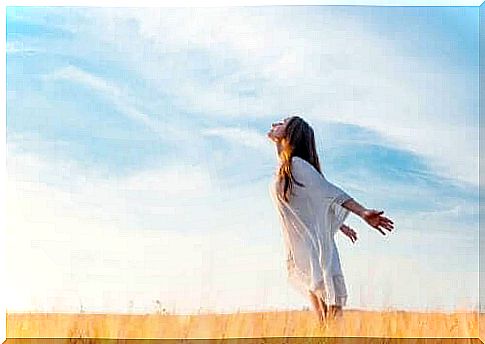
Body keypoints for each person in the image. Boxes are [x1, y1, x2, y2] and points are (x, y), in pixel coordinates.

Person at [267, 115, 394, 324]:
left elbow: (329, 193)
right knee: (324, 324)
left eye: (282, 122)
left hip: (317, 254)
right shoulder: (287, 169)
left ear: (291, 133)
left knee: (332, 321)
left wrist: (362, 212)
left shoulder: (297, 165)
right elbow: (308, 204)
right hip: (307, 253)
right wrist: (340, 224)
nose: (275, 124)